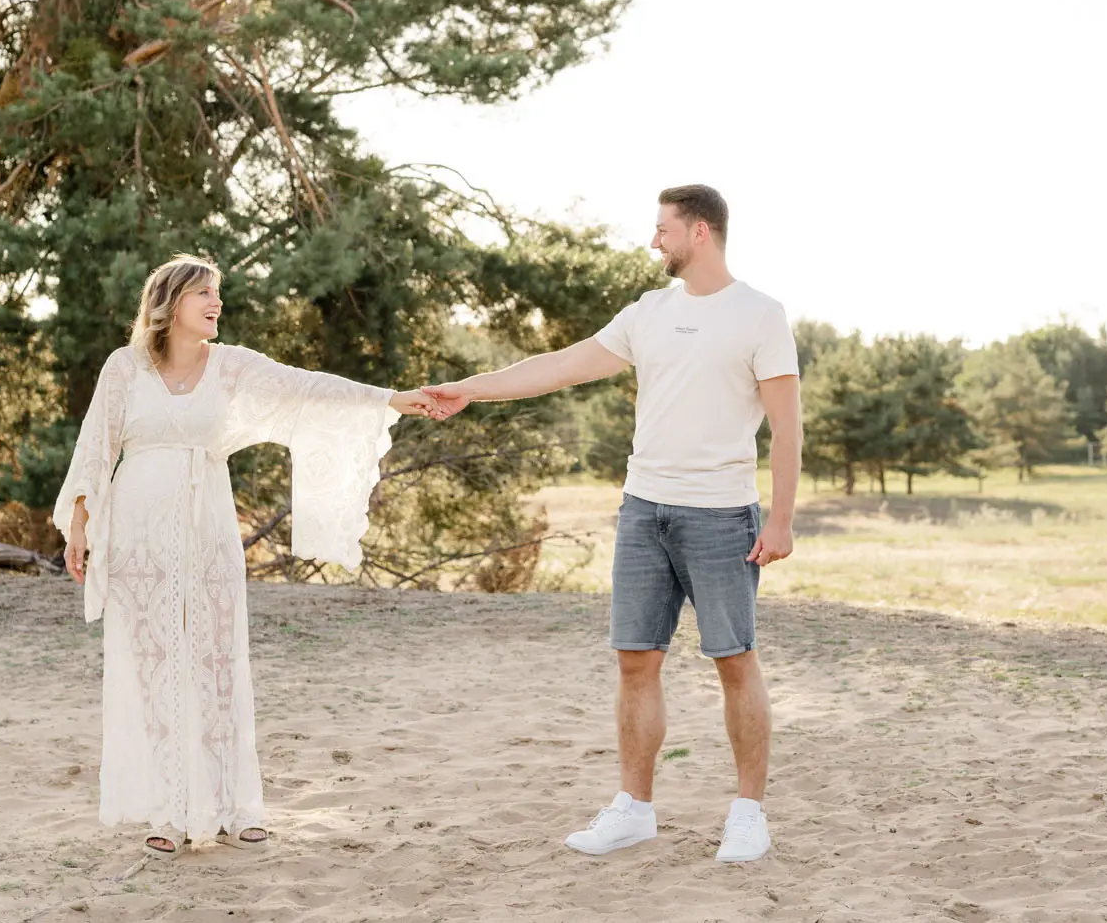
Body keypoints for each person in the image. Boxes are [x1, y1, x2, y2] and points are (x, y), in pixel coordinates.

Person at [422, 184, 800, 864]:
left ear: (700, 233)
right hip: (643, 511)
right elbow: (562, 366)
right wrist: (470, 387)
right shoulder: (648, 312)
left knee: (734, 662)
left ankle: (748, 813)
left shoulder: (760, 315)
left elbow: (787, 426)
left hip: (721, 517)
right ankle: (633, 809)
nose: (654, 240)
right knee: (635, 662)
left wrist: (780, 519)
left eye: (663, 229)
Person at [54, 254, 440, 854]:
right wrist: (79, 525)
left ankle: (235, 806)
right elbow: (94, 452)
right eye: (204, 293)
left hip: (208, 529)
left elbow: (307, 388)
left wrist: (391, 399)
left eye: (219, 294)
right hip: (139, 538)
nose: (216, 304)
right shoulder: (124, 368)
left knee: (215, 662)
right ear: (170, 301)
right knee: (155, 669)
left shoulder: (230, 366)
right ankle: (167, 812)